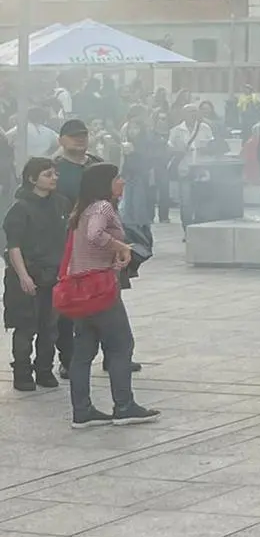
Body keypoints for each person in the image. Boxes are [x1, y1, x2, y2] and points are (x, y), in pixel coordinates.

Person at [62, 163, 157, 429]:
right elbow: (95, 235)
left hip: (81, 290)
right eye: (117, 178)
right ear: (104, 183)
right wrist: (120, 245)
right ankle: (124, 406)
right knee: (120, 345)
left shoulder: (81, 211)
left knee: (82, 352)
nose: (122, 182)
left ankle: (82, 411)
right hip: (101, 290)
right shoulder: (102, 207)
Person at [6, 158, 66, 392]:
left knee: (50, 326)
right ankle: (22, 372)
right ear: (32, 179)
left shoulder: (60, 204)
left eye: (55, 174)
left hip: (53, 275)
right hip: (27, 274)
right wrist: (23, 276)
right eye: (47, 174)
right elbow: (14, 246)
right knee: (25, 326)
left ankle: (44, 369)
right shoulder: (20, 209)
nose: (53, 178)